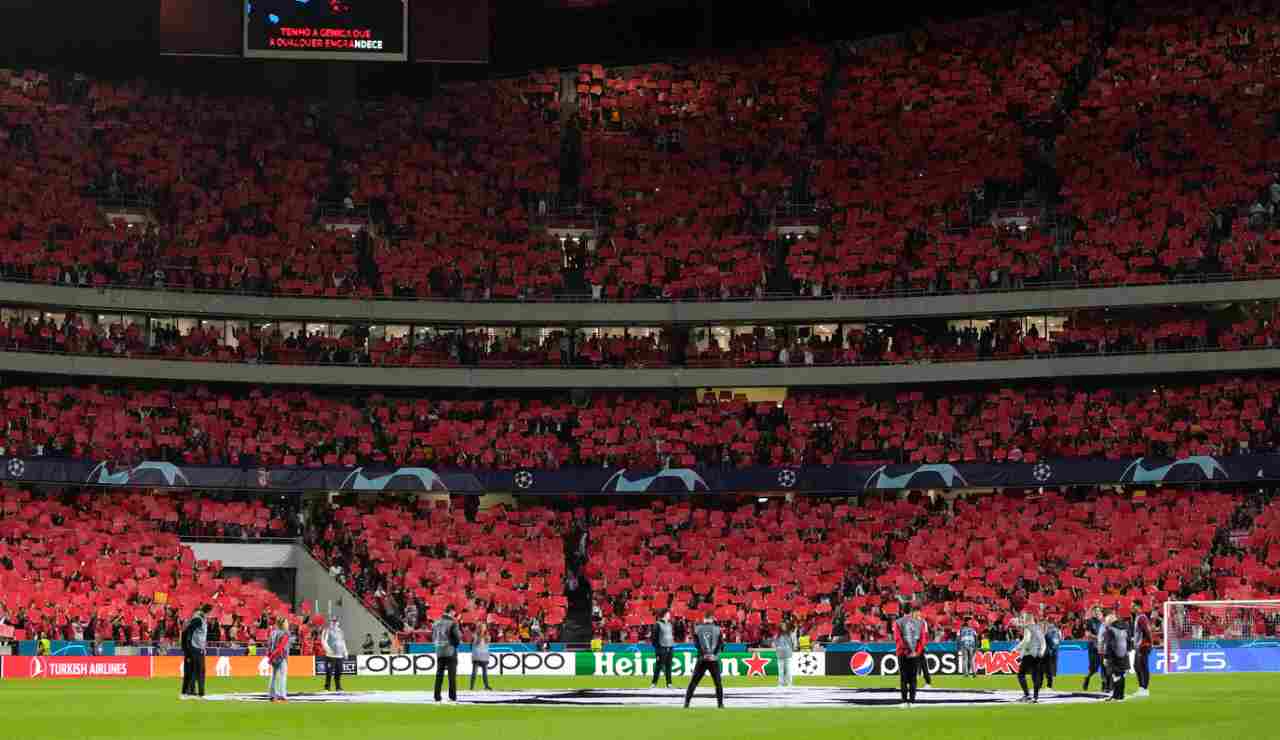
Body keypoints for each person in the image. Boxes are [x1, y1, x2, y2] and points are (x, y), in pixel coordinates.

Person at [683, 613, 724, 709]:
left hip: (702, 659)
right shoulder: (718, 629)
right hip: (713, 660)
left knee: (693, 682)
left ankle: (686, 703)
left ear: (704, 619)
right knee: (718, 683)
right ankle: (720, 704)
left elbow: (696, 644)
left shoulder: (698, 629)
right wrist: (713, 654)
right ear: (712, 619)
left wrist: (703, 654)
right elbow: (720, 644)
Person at [892, 605, 927, 706]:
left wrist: (906, 650)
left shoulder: (898, 622)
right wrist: (916, 652)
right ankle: (912, 700)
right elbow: (923, 640)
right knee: (913, 677)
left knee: (903, 677)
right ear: (911, 611)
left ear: (902, 610)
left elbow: (898, 639)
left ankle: (904, 700)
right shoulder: (921, 623)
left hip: (902, 653)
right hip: (915, 653)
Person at [180, 604, 211, 700]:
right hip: (195, 649)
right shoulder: (198, 620)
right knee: (198, 671)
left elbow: (187, 632)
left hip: (196, 648)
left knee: (194, 670)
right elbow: (187, 633)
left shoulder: (199, 619)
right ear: (207, 612)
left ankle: (190, 691)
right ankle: (195, 692)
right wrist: (187, 649)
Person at [1014, 612, 1046, 703]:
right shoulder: (1038, 628)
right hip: (1038, 655)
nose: (1022, 621)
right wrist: (1042, 651)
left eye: (1023, 619)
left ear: (1027, 619)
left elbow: (1026, 640)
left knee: (1021, 674)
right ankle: (1035, 697)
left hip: (1029, 654)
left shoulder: (1027, 628)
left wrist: (1016, 648)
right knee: (1035, 675)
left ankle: (1027, 695)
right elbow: (1043, 641)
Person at [433, 605, 462, 704]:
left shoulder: (436, 622)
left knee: (439, 674)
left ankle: (437, 696)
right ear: (451, 611)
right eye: (454, 612)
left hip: (439, 650)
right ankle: (452, 697)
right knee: (452, 675)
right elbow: (457, 637)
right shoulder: (452, 623)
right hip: (450, 650)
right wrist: (455, 645)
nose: (455, 614)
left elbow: (433, 636)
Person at [1102, 613, 1131, 702]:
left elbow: (1108, 645)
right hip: (1124, 656)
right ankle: (1120, 696)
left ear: (1109, 621)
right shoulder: (1124, 628)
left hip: (1114, 657)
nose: (1105, 623)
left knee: (1115, 676)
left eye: (1106, 621)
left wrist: (1106, 657)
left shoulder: (1110, 630)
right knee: (1121, 675)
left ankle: (1116, 696)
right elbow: (1129, 641)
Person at [1082, 606, 1107, 692]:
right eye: (1095, 611)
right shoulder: (1089, 622)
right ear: (1092, 612)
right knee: (1093, 668)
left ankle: (1104, 685)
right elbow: (1087, 634)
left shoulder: (1103, 622)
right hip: (1093, 647)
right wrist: (1098, 637)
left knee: (1104, 666)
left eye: (1099, 611)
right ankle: (1087, 678)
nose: (1097, 613)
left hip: (1101, 647)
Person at [321, 616, 348, 692]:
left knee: (339, 671)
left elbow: (343, 642)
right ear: (330, 622)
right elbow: (323, 641)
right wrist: (328, 649)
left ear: (338, 622)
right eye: (333, 621)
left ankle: (338, 687)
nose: (334, 622)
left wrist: (345, 651)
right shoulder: (327, 630)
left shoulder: (340, 631)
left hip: (339, 655)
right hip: (330, 655)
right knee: (329, 672)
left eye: (335, 621)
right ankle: (327, 687)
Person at [650, 610, 676, 689]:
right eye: (668, 614)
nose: (669, 615)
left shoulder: (670, 624)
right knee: (659, 666)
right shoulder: (657, 624)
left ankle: (669, 683)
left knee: (668, 666)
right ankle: (654, 683)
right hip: (662, 648)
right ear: (664, 615)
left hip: (670, 648)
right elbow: (654, 639)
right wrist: (658, 650)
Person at [267, 617, 291, 704]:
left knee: (273, 676)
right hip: (281, 657)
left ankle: (272, 696)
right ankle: (282, 696)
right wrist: (273, 655)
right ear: (283, 624)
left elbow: (269, 645)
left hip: (273, 657)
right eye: (286, 622)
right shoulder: (285, 634)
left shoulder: (273, 633)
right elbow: (281, 647)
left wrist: (270, 656)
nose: (288, 624)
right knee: (282, 677)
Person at [1133, 607, 1153, 698]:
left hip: (1143, 646)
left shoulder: (1142, 617)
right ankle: (1141, 688)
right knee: (1137, 666)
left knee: (1143, 666)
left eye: (1133, 606)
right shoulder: (1138, 617)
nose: (1132, 607)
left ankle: (1145, 689)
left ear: (1138, 606)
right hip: (1139, 646)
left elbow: (1147, 631)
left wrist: (1150, 643)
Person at [774, 618, 798, 688]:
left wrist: (794, 646)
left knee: (789, 669)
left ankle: (789, 683)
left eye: (784, 625)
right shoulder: (777, 635)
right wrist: (776, 647)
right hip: (780, 654)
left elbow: (794, 641)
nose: (783, 627)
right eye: (782, 625)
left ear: (787, 626)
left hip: (788, 653)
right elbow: (774, 643)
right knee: (780, 670)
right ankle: (781, 683)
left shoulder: (790, 633)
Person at [470, 623, 493, 691]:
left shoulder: (487, 636)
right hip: (477, 656)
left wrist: (484, 635)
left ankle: (486, 685)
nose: (482, 629)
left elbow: (488, 641)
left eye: (483, 627)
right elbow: (476, 643)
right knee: (474, 672)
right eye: (481, 627)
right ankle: (472, 686)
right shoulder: (475, 635)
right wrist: (481, 635)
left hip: (484, 656)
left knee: (485, 673)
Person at [1041, 618, 1062, 691]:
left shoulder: (1048, 632)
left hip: (1048, 652)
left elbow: (1049, 641)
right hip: (1054, 652)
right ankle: (1048, 685)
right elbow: (1059, 640)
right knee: (1049, 670)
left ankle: (1048, 686)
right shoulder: (1057, 631)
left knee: (1046, 670)